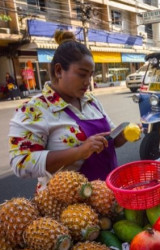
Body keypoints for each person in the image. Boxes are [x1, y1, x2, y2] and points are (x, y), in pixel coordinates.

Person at [8, 30, 130, 191]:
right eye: (82, 74)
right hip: (68, 208)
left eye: (91, 75)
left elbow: (110, 139)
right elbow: (21, 163)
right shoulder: (33, 109)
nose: (88, 82)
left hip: (106, 195)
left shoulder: (91, 101)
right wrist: (79, 152)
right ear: (59, 71)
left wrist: (124, 134)